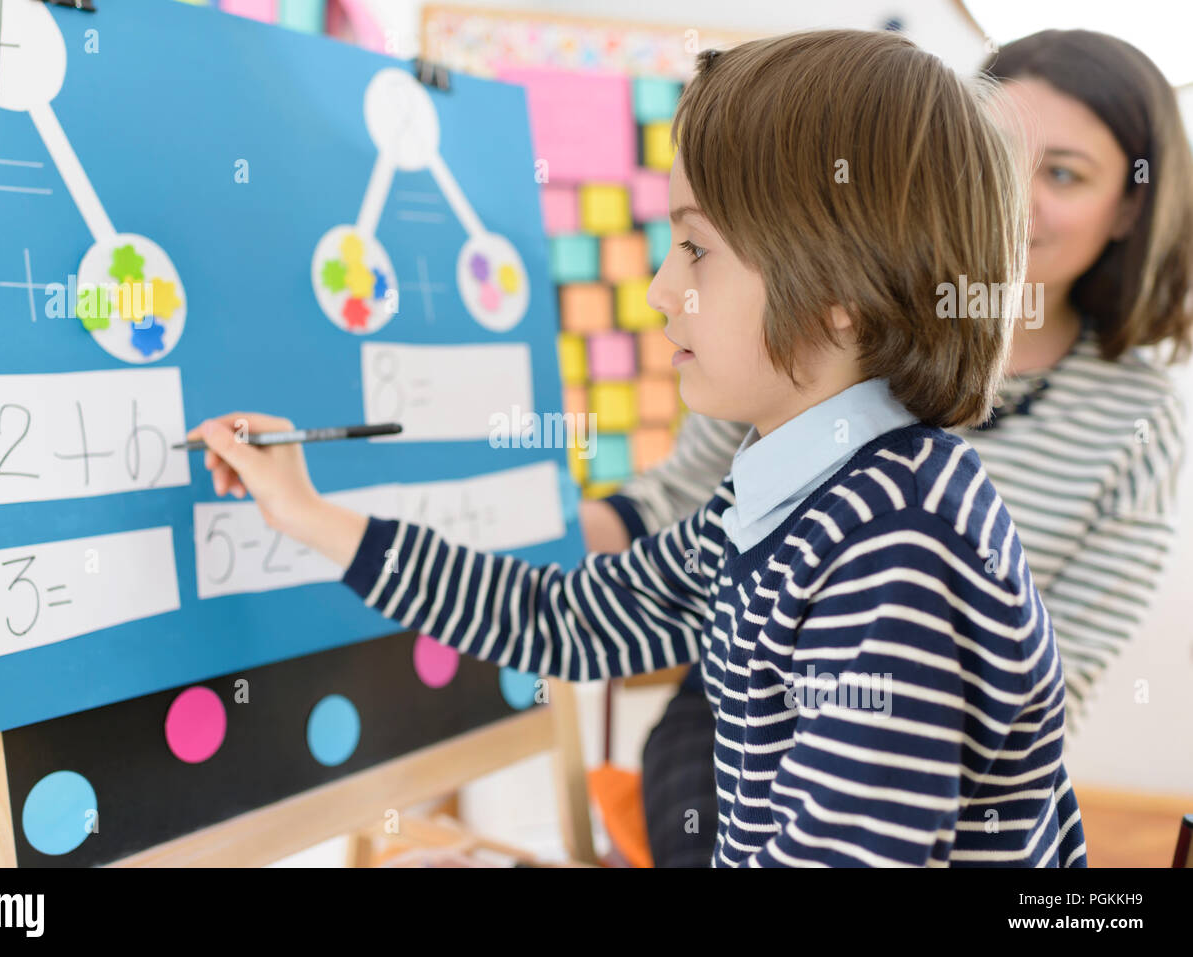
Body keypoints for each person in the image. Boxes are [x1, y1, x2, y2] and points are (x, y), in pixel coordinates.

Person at [191, 30, 1087, 866]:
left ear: (840, 290)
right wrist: (310, 516)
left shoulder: (896, 554)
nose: (661, 290)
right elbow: (560, 618)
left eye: (696, 249)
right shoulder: (785, 499)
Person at [586, 28, 1193, 867]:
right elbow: (681, 504)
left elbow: (1065, 668)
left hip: (935, 738)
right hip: (742, 700)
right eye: (992, 150)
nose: (1013, 193)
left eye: (1062, 173)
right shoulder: (811, 331)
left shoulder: (1138, 417)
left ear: (1129, 206)